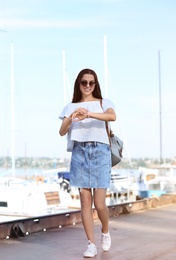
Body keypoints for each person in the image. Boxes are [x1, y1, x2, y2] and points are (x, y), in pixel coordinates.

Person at [59, 68, 116, 258]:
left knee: (99, 204)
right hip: (79, 152)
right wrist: (73, 116)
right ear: (79, 84)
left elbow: (112, 116)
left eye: (91, 83)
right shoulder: (70, 106)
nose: (88, 86)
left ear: (95, 84)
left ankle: (105, 231)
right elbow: (61, 131)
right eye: (84, 82)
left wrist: (89, 115)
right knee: (85, 201)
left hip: (100, 152)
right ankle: (91, 244)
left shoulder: (103, 102)